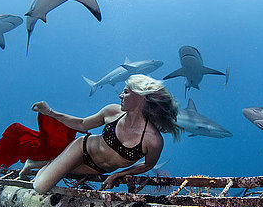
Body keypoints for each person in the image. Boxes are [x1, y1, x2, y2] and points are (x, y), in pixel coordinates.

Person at [31, 74, 181, 194]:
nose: (120, 96)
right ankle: (44, 164)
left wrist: (118, 174)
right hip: (82, 149)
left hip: (98, 168)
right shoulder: (112, 111)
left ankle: (37, 163)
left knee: (61, 172)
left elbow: (149, 164)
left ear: (141, 97)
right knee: (40, 187)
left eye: (126, 92)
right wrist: (49, 112)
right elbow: (81, 124)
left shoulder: (153, 140)